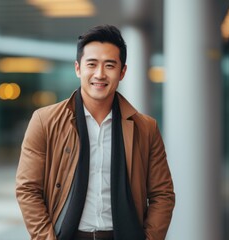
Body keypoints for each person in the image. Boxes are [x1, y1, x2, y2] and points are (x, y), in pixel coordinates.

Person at [16, 25, 175, 240]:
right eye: (92, 64)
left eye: (110, 65)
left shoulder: (145, 128)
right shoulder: (45, 121)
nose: (100, 74)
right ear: (78, 68)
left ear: (122, 72)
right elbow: (28, 189)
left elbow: (162, 195)